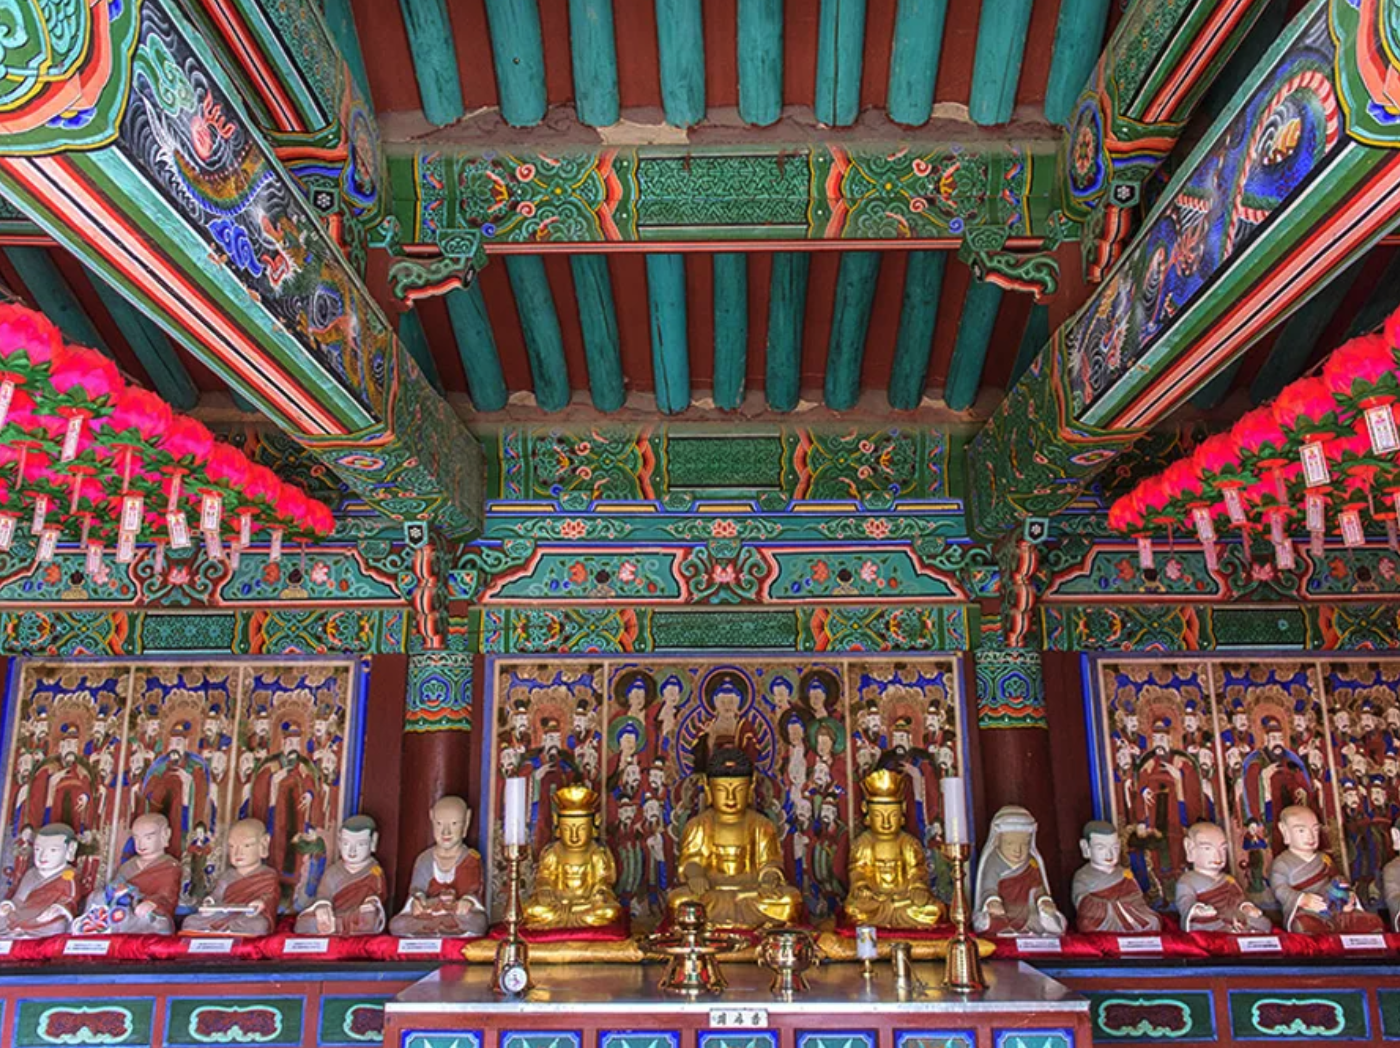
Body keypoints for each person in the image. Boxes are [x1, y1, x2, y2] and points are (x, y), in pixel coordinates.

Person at [667, 747, 802, 927]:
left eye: (739, 789)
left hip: (750, 892)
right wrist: (696, 875)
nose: (731, 797)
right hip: (713, 891)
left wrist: (769, 877)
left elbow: (770, 862)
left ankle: (717, 924)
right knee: (678, 900)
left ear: (751, 786)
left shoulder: (761, 825)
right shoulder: (698, 825)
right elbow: (690, 861)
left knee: (790, 899)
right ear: (708, 787)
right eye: (722, 790)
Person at [843, 769, 944, 928]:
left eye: (893, 815)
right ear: (866, 810)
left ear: (902, 809)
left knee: (934, 910)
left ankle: (895, 917)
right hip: (876, 900)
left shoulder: (909, 843)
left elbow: (917, 871)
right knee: (853, 909)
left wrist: (917, 888)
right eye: (878, 816)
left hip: (904, 898)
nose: (886, 822)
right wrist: (861, 886)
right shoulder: (863, 842)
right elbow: (858, 870)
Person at [1269, 805, 1385, 934]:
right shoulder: (1282, 863)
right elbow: (1279, 889)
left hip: (1337, 909)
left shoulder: (1324, 858)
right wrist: (1302, 899)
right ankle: (1325, 926)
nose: (1310, 836)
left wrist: (1348, 895)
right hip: (1310, 912)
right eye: (1301, 831)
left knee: (1373, 922)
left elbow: (1338, 878)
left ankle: (1337, 924)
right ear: (1284, 831)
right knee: (1303, 924)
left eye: (1315, 830)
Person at [522, 785, 622, 929]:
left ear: (594, 824)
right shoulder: (553, 852)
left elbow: (604, 880)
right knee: (531, 911)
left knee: (609, 912)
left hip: (586, 905)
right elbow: (544, 878)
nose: (574, 836)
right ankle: (569, 919)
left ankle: (568, 919)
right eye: (567, 829)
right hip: (558, 905)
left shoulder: (597, 852)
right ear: (557, 824)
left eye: (581, 829)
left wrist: (600, 892)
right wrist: (545, 888)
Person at [389, 796, 487, 937]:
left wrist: (467, 902)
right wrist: (418, 901)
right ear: (432, 821)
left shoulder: (471, 858)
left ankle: (439, 929)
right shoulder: (424, 859)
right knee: (397, 925)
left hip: (455, 913)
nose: (445, 832)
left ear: (466, 824)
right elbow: (417, 890)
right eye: (439, 824)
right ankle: (438, 929)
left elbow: (473, 891)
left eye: (454, 824)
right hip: (429, 912)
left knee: (478, 922)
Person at [74, 813, 181, 934]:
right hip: (124, 908)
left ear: (165, 835)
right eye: (136, 838)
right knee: (97, 895)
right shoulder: (128, 866)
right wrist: (116, 891)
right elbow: (115, 887)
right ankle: (92, 926)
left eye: (148, 838)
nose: (141, 843)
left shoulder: (170, 866)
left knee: (155, 922)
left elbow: (167, 897)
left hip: (148, 915)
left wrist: (152, 903)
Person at [972, 805, 1067, 936]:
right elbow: (989, 887)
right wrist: (992, 900)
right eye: (1010, 843)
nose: (1018, 850)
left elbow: (1038, 887)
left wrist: (1043, 900)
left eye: (1025, 844)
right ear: (998, 840)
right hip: (1004, 911)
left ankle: (1028, 930)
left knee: (1050, 921)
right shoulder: (993, 862)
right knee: (991, 923)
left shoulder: (1032, 862)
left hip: (1027, 911)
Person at [180, 819, 280, 936]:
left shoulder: (267, 875)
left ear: (263, 843)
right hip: (224, 913)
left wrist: (261, 902)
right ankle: (223, 930)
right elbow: (217, 894)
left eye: (246, 845)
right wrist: (210, 901)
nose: (238, 852)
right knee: (191, 921)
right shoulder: (228, 875)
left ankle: (225, 930)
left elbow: (270, 896)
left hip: (248, 916)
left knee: (259, 925)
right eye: (232, 846)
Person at [293, 815, 386, 935]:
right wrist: (323, 906)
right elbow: (323, 895)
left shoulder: (374, 870)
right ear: (339, 842)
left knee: (370, 919)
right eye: (346, 843)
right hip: (334, 914)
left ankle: (336, 927)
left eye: (361, 844)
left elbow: (379, 895)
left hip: (357, 915)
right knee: (303, 924)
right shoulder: (333, 871)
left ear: (373, 842)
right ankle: (337, 926)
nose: (352, 851)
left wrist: (371, 903)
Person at [1174, 822, 1272, 933]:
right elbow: (1184, 902)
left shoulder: (1228, 879)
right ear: (1190, 848)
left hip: (1232, 916)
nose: (1218, 856)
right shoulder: (1187, 880)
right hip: (1210, 920)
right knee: (1204, 926)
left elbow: (1239, 899)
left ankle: (1240, 931)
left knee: (1263, 923)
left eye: (1223, 849)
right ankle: (1234, 931)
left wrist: (1246, 907)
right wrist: (1197, 910)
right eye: (1207, 849)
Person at [1071, 821, 1160, 933]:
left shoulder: (1124, 873)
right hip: (1103, 919)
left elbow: (1137, 898)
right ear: (1086, 847)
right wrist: (1113, 905)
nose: (1109, 854)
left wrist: (1125, 905)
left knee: (1153, 921)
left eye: (1115, 847)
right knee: (1087, 925)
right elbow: (1083, 905)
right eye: (1101, 848)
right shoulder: (1083, 875)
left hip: (1130, 914)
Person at [0, 823, 80, 938]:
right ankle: (17, 932)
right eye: (37, 849)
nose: (43, 856)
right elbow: (19, 899)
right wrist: (9, 906)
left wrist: (59, 908)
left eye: (53, 850)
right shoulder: (31, 874)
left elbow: (71, 899)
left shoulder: (69, 874)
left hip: (45, 918)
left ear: (70, 849)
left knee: (57, 924)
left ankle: (21, 932)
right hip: (23, 913)